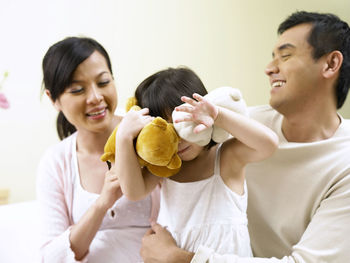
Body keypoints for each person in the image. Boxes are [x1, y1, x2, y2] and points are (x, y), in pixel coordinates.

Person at [140, 11, 350, 263]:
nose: (269, 68)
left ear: (330, 64)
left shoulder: (343, 164)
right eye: (272, 57)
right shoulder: (232, 124)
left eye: (286, 55)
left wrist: (179, 259)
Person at [112, 67, 278, 257]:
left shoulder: (225, 157)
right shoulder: (166, 167)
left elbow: (269, 144)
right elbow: (133, 192)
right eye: (168, 130)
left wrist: (218, 115)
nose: (179, 138)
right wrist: (123, 137)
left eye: (183, 123)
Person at [36, 37, 160, 263]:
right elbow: (51, 257)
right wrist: (103, 202)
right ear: (53, 98)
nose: (95, 98)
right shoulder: (56, 162)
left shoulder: (150, 136)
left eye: (103, 83)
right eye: (77, 90)